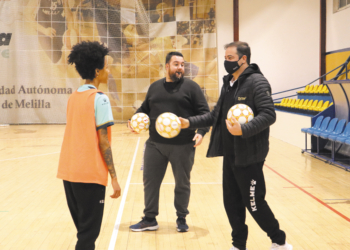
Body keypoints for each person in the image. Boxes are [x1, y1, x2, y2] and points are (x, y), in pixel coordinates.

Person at [179, 42, 293, 250]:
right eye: (226, 57)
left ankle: (279, 241)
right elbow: (216, 116)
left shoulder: (257, 82)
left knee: (254, 202)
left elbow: (269, 114)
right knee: (231, 203)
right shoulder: (229, 83)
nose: (226, 62)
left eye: (230, 58)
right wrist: (189, 122)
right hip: (230, 154)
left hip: (249, 156)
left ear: (243, 59)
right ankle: (238, 245)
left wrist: (244, 129)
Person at [128, 51, 210, 232]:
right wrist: (134, 120)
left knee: (182, 183)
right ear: (167, 66)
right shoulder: (155, 87)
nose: (180, 67)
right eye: (176, 64)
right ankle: (150, 218)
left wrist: (202, 132)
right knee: (150, 181)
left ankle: (181, 218)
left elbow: (205, 114)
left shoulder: (192, 88)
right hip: (155, 145)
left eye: (182, 64)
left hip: (183, 145)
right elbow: (143, 109)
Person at [57, 41, 121, 250]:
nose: (108, 71)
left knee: (84, 232)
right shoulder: (100, 99)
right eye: (106, 67)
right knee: (88, 236)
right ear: (97, 71)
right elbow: (103, 141)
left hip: (69, 174)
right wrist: (114, 178)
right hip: (89, 176)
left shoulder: (73, 97)